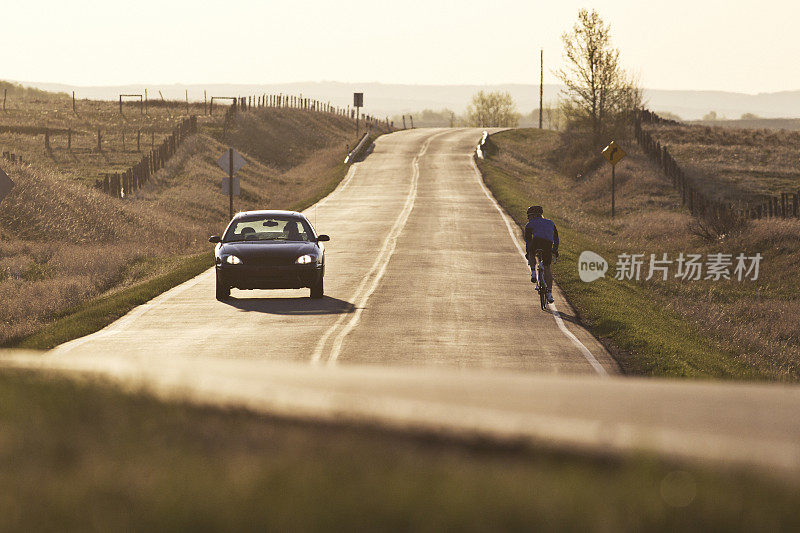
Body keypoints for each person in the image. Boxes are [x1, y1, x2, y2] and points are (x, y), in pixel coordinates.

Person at [524, 205, 558, 304]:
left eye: (529, 216)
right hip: (548, 244)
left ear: (533, 215)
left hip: (537, 242)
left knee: (531, 251)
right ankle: (550, 293)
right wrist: (555, 250)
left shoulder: (529, 224)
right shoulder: (551, 222)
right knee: (547, 267)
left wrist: (528, 253)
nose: (528, 219)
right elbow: (556, 238)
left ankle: (533, 272)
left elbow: (528, 241)